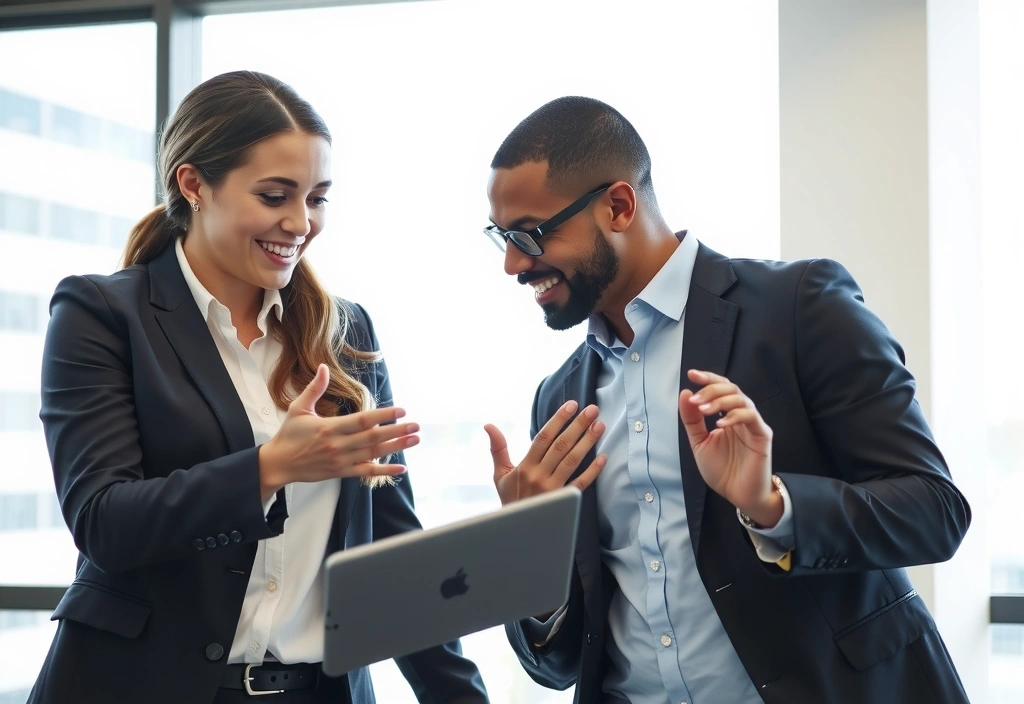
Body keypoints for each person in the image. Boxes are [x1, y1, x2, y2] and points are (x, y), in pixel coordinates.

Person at [481, 96, 971, 704]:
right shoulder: (559, 399)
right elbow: (559, 664)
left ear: (618, 205)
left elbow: (934, 511)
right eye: (501, 237)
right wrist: (529, 551)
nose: (511, 264)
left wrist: (774, 505)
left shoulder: (800, 306)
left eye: (531, 234)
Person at [30, 70, 489, 704]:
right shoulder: (102, 314)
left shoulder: (344, 332)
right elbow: (104, 521)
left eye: (318, 198)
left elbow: (391, 551)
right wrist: (269, 468)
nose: (301, 222)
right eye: (276, 195)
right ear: (193, 184)